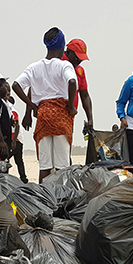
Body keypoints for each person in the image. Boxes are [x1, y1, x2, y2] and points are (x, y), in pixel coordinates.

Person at [13, 27, 77, 182]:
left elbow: (16, 85)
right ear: (62, 47)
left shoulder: (34, 67)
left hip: (43, 116)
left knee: (45, 166)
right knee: (62, 165)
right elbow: (73, 81)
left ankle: (43, 198)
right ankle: (62, 198)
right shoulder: (64, 66)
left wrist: (32, 107)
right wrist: (70, 106)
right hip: (61, 116)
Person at [62, 39, 94, 133]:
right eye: (76, 58)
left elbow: (85, 96)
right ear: (68, 52)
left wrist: (90, 118)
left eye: (81, 59)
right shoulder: (57, 64)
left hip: (69, 117)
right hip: (53, 115)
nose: (79, 61)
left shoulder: (80, 71)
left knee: (66, 146)